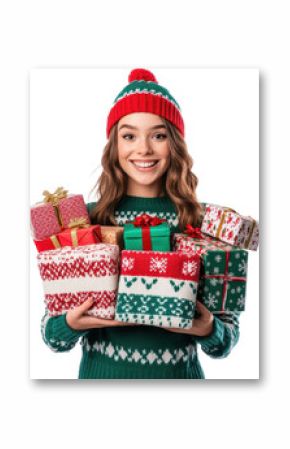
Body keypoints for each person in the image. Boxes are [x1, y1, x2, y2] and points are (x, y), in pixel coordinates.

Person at [41, 68, 240, 379]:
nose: (144, 148)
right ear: (114, 145)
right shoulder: (86, 219)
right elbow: (51, 335)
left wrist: (210, 329)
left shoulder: (200, 222)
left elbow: (226, 341)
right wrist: (70, 323)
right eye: (129, 135)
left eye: (158, 135)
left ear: (174, 143)